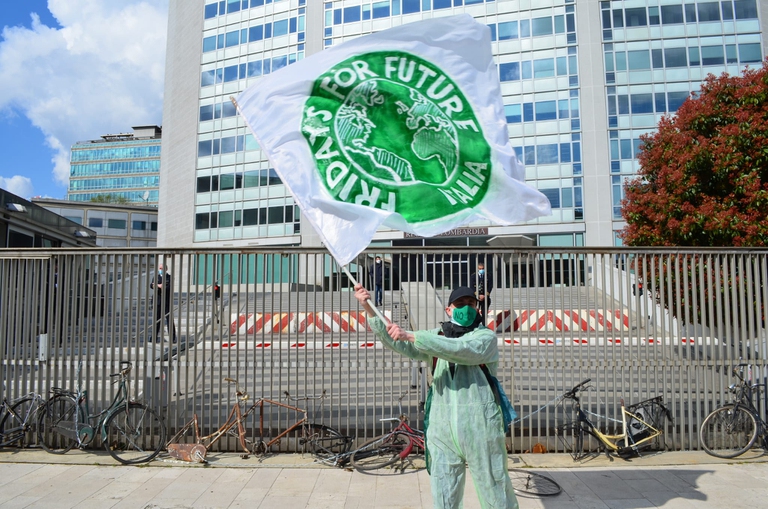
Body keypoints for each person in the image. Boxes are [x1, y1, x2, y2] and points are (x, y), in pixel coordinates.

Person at [353, 283, 518, 509]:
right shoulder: (435, 336)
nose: (466, 308)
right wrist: (368, 307)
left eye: (470, 304)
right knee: (443, 493)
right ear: (449, 309)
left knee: (494, 488)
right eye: (459, 304)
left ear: (478, 309)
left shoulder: (485, 337)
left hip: (480, 428)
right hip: (442, 430)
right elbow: (397, 341)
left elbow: (460, 349)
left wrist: (412, 336)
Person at [150, 263, 177, 343]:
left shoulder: (169, 277)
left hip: (167, 301)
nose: (160, 270)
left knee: (169, 320)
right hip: (157, 301)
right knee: (156, 320)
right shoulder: (156, 277)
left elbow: (168, 287)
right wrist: (159, 286)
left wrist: (158, 285)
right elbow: (151, 285)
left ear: (166, 269)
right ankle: (154, 338)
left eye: (162, 268)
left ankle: (172, 338)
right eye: (160, 268)